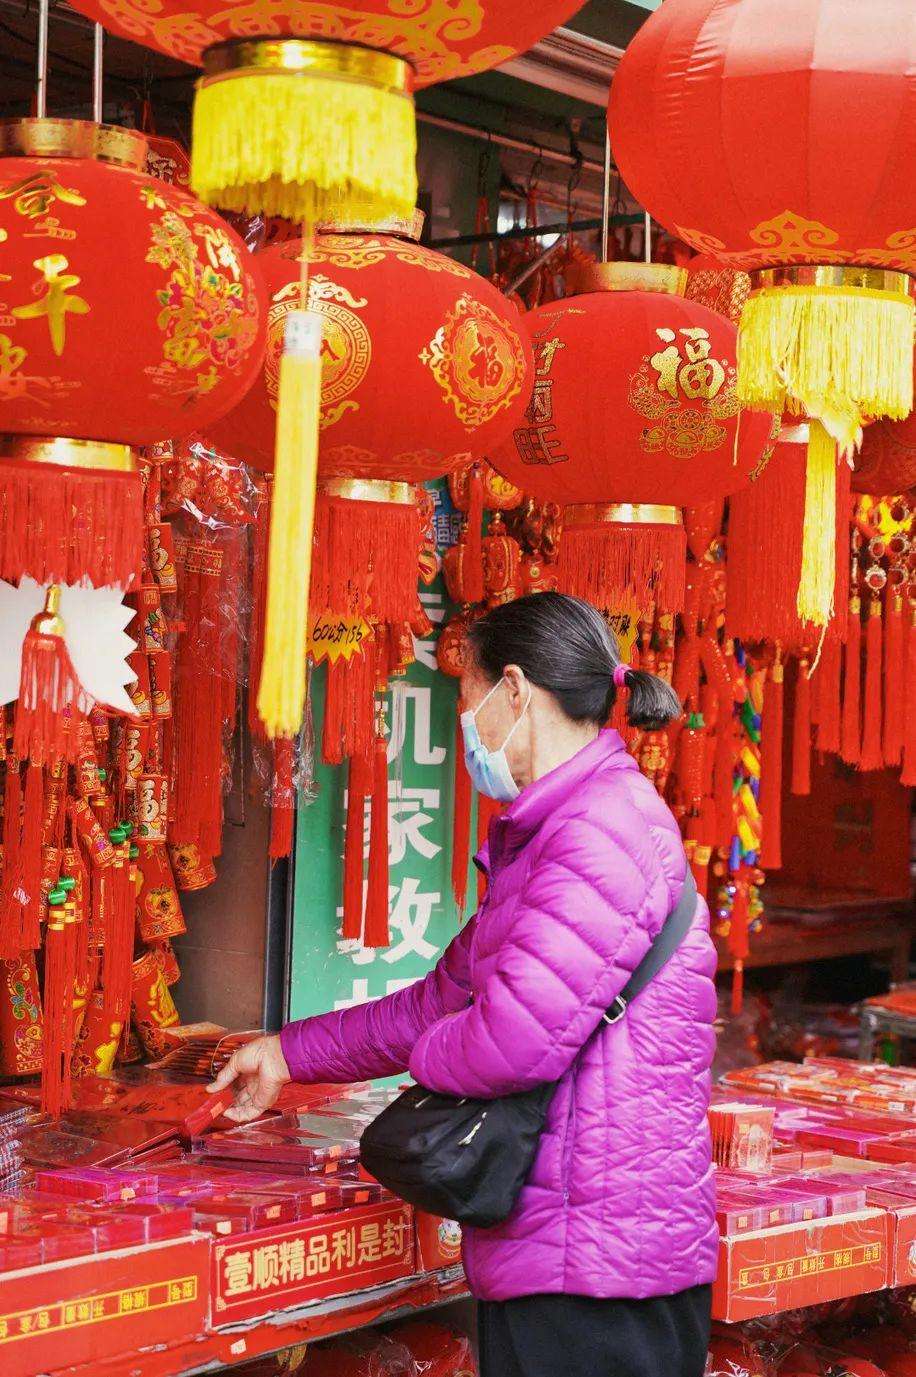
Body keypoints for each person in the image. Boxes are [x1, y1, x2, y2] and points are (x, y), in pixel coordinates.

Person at [209, 592, 718, 1377]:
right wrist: (285, 1053)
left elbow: (509, 1040)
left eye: (468, 699)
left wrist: (427, 1064)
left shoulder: (600, 829)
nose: (467, 726)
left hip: (597, 1270)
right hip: (572, 1251)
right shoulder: (561, 828)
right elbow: (438, 1001)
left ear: (514, 689)